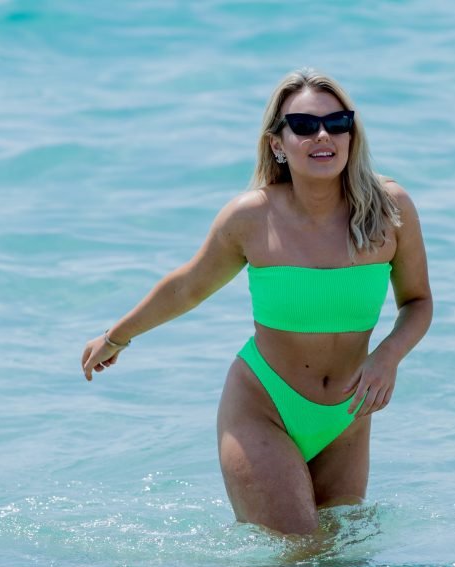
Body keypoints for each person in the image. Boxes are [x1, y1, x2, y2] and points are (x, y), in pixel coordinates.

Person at [81, 68, 432, 536]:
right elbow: (187, 287)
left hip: (348, 416)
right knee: (295, 554)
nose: (322, 136)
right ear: (277, 144)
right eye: (304, 126)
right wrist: (115, 337)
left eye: (336, 123)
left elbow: (418, 302)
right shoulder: (251, 216)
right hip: (264, 407)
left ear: (352, 133)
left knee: (340, 561)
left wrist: (388, 357)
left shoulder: (390, 210)